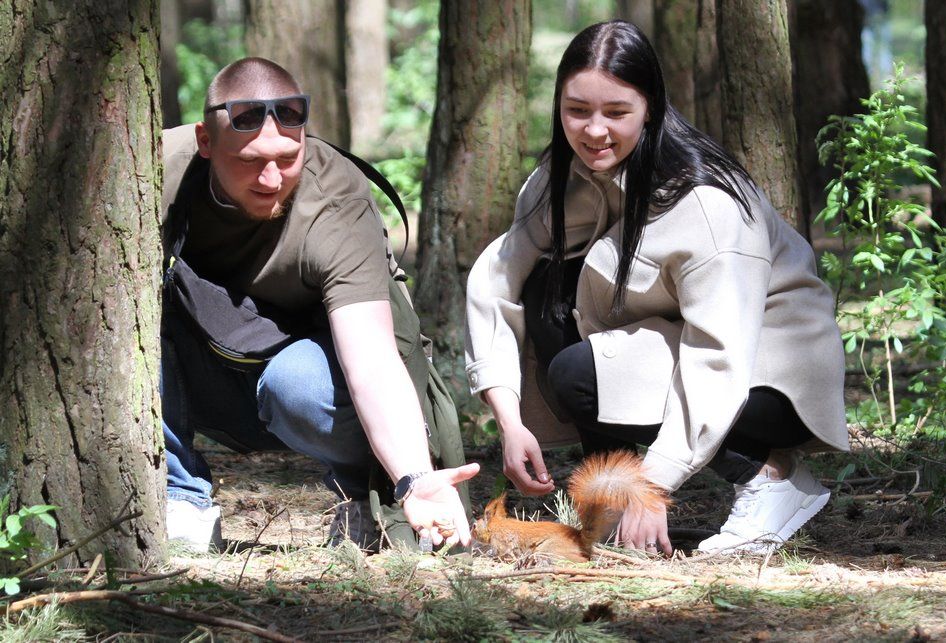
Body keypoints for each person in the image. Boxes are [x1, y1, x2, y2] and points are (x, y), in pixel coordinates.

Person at [465, 21, 848, 556]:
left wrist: (655, 483)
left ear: (651, 107)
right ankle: (610, 497)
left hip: (769, 366)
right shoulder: (557, 180)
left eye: (616, 112)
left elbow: (719, 354)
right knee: (548, 293)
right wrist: (508, 420)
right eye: (577, 110)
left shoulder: (706, 202)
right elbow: (496, 279)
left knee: (579, 373)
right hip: (672, 337)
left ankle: (773, 479)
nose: (594, 131)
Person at [161, 57, 477, 552]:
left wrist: (414, 478)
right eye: (249, 161)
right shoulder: (154, 171)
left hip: (309, 376)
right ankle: (180, 498)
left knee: (299, 385)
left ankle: (360, 491)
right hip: (199, 364)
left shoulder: (336, 201)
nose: (271, 179)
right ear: (205, 142)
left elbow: (373, 359)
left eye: (288, 159)